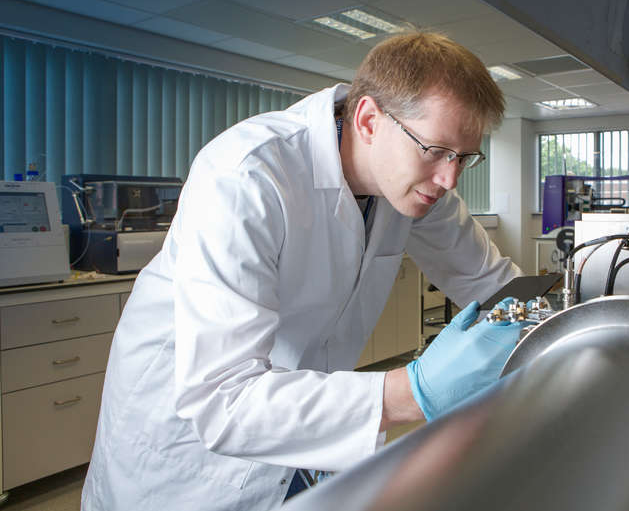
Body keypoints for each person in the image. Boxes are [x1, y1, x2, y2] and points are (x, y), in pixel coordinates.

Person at [81, 32, 525, 511]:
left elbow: (497, 284)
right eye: (436, 150)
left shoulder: (417, 188)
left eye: (463, 158)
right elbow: (221, 401)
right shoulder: (247, 177)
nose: (449, 178)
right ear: (370, 120)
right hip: (184, 451)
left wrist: (564, 324)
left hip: (298, 423)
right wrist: (411, 392)